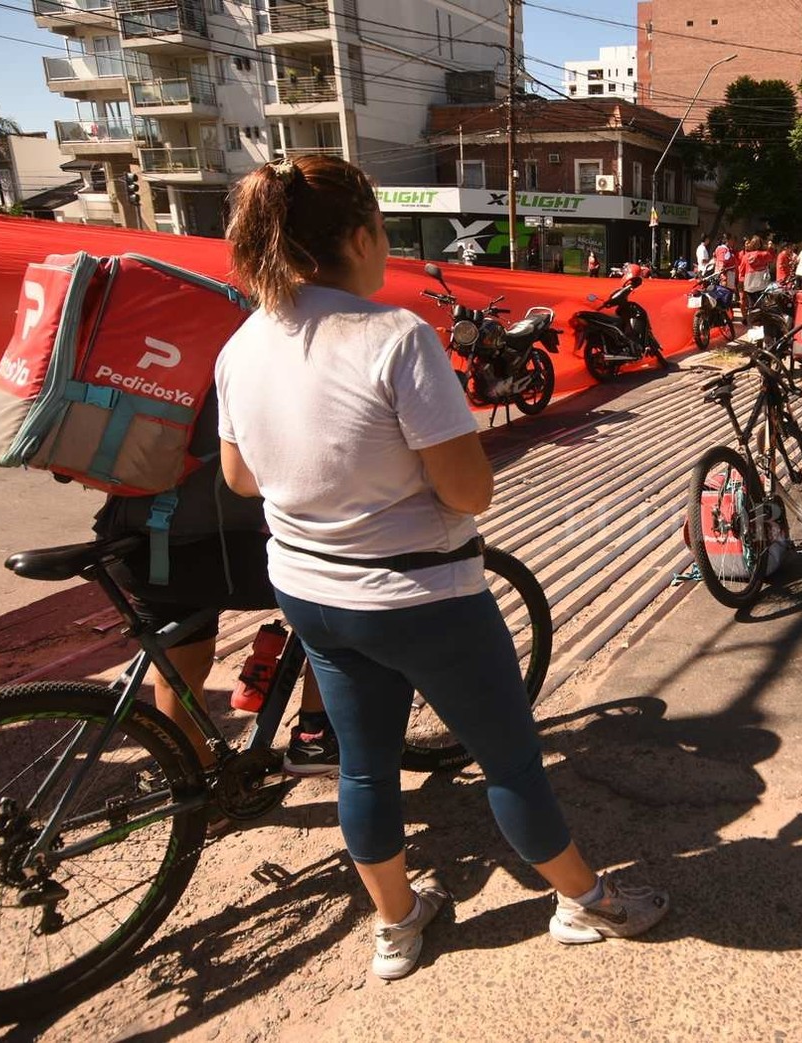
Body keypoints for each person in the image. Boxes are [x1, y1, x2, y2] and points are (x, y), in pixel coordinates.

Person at [217, 156, 669, 981]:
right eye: (382, 232)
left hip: (309, 591)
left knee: (363, 763)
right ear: (360, 236)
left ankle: (397, 923)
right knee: (508, 758)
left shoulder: (243, 342)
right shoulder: (393, 337)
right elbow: (468, 492)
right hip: (422, 597)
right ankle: (587, 900)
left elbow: (241, 478)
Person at [93, 395, 337, 784]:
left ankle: (202, 791)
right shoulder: (243, 353)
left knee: (178, 674)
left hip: (134, 539)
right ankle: (314, 735)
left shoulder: (154, 361)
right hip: (218, 546)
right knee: (337, 595)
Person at [737, 234, 775, 315]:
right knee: (762, 304)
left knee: (751, 304)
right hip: (762, 284)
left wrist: (741, 283)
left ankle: (752, 319)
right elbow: (772, 258)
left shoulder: (745, 256)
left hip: (749, 284)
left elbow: (741, 271)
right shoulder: (765, 254)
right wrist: (770, 248)